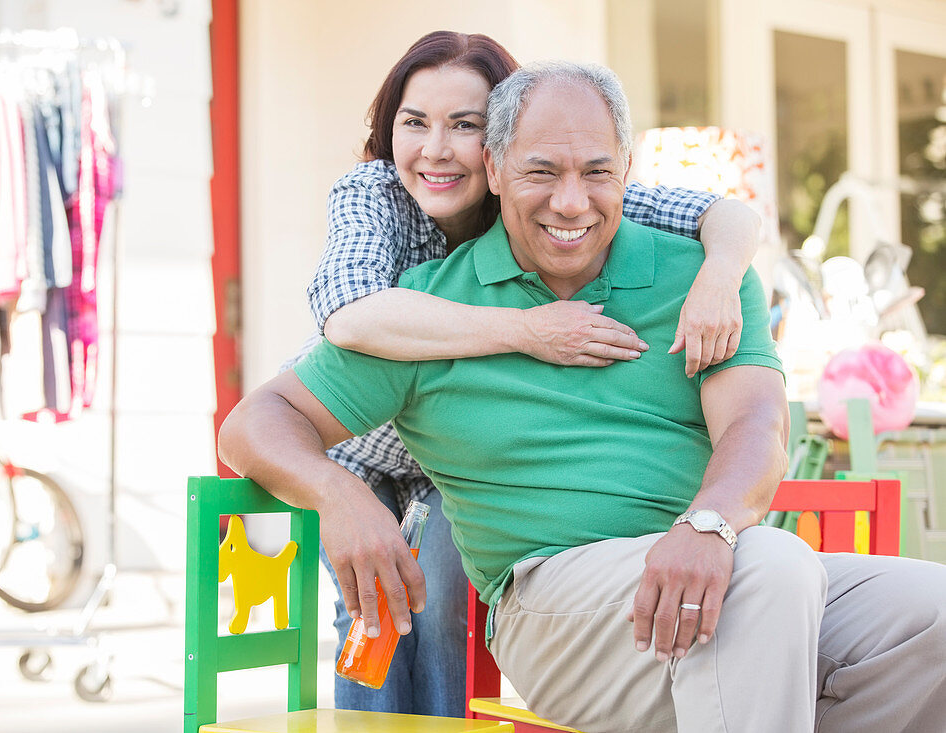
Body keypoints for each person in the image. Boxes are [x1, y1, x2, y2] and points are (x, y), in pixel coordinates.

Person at [224, 61, 946, 732]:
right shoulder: (430, 311)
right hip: (554, 602)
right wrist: (335, 492)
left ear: (627, 171)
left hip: (713, 560)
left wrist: (707, 524)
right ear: (497, 169)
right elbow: (255, 422)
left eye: (597, 172)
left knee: (929, 613)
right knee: (771, 568)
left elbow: (755, 423)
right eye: (542, 171)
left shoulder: (701, 277)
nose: (572, 201)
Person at [288, 30, 764, 718]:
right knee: (374, 613)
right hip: (368, 436)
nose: (436, 149)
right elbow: (349, 316)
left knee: (449, 599)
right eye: (414, 122)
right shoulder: (377, 193)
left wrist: (722, 274)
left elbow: (723, 213)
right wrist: (525, 329)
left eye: (464, 125)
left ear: (497, 145)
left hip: (456, 452)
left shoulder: (556, 187)